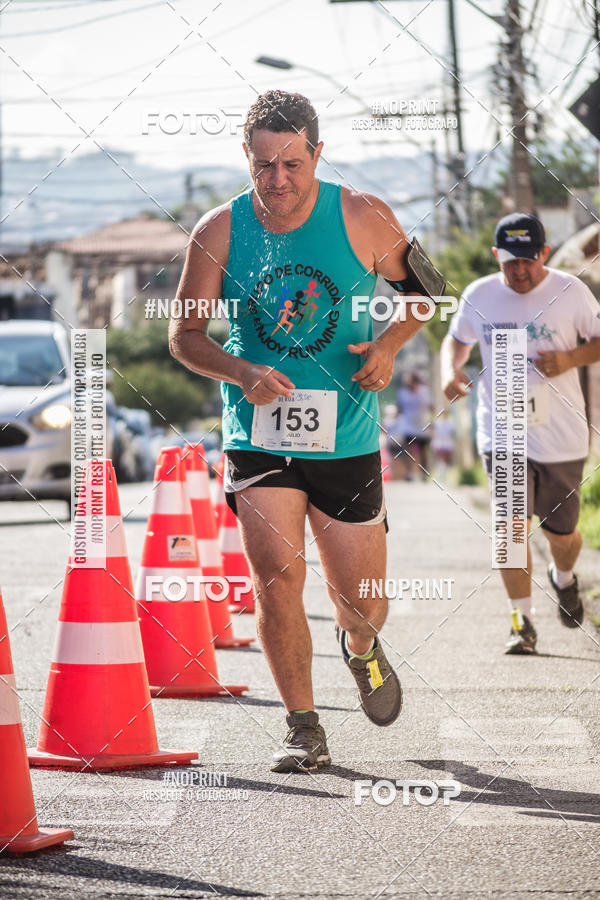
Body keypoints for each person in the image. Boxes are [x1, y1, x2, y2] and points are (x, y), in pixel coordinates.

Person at [169, 90, 438, 771]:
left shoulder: (364, 215)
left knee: (359, 602)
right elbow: (184, 336)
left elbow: (427, 294)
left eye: (291, 163)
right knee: (276, 577)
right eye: (264, 165)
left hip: (345, 433)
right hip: (258, 433)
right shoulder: (219, 230)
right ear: (246, 157)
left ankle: (361, 647)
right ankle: (303, 726)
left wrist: (387, 347)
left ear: (318, 153)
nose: (278, 179)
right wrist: (239, 371)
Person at [441, 212, 600, 654]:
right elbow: (456, 338)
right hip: (504, 432)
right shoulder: (481, 295)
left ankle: (564, 577)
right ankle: (521, 621)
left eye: (528, 260)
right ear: (497, 257)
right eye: (510, 262)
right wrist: (449, 372)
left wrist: (569, 360)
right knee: (510, 529)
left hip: (562, 437)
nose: (520, 270)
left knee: (562, 536)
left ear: (544, 254)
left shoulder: (571, 292)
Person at [397, 371, 434, 480]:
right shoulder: (402, 393)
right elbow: (400, 408)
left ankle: (424, 473)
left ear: (415, 381)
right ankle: (409, 473)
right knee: (408, 450)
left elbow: (431, 406)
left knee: (423, 451)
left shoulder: (424, 391)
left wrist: (432, 423)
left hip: (422, 427)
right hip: (408, 426)